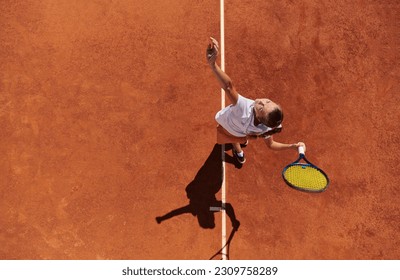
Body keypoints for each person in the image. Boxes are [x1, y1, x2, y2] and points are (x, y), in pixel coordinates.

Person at [206, 37, 305, 164]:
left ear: (258, 116)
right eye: (268, 102)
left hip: (228, 127)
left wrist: (213, 65)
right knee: (239, 136)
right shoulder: (270, 126)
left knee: (232, 136)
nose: (261, 102)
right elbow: (271, 145)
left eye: (261, 107)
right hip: (242, 132)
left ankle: (238, 149)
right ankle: (239, 151)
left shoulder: (243, 108)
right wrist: (293, 146)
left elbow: (228, 87)